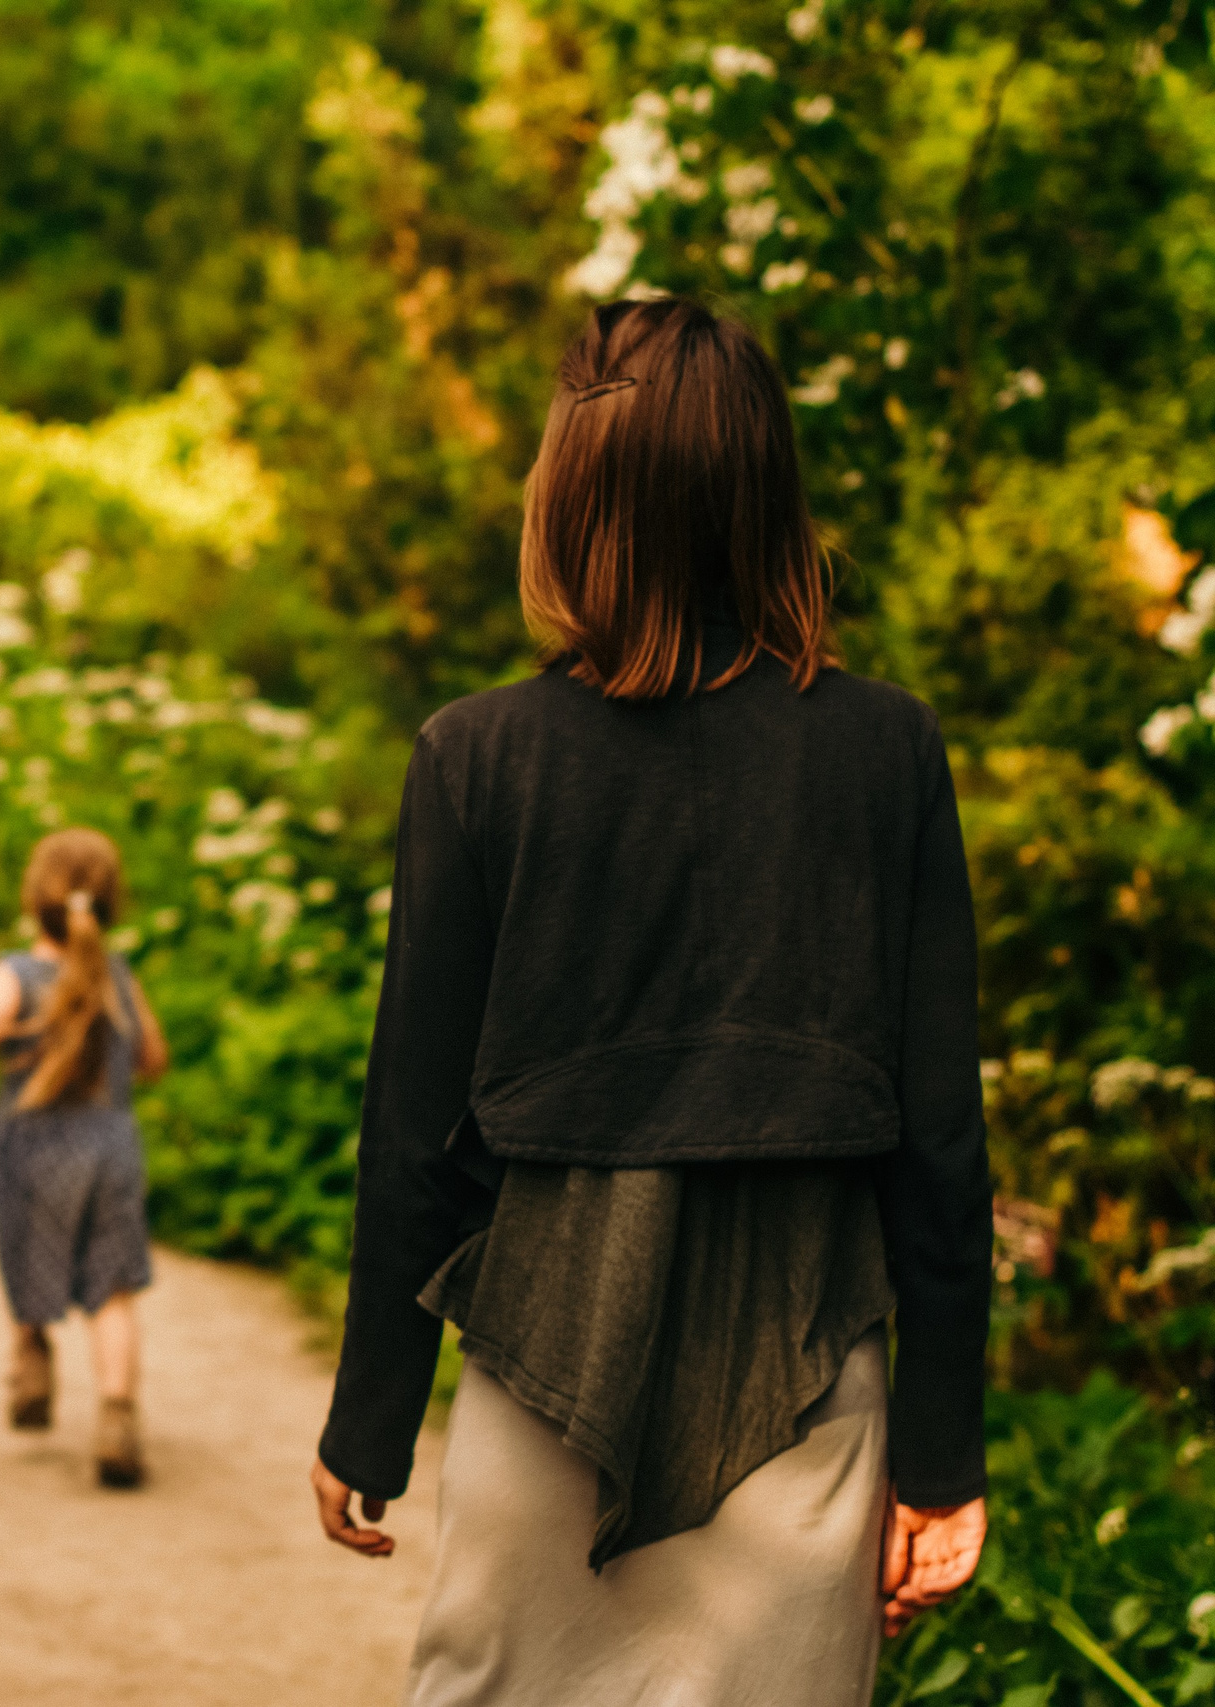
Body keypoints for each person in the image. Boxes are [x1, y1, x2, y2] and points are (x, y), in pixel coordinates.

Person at [307, 297, 992, 1704]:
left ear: (572, 498)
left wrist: (370, 1413)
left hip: (543, 1370)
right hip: (806, 1383)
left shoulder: (479, 756)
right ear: (767, 498)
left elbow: (415, 1133)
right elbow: (940, 1141)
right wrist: (941, 1452)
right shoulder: (888, 751)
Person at [0, 827, 171, 1488]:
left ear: (34, 900)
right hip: (110, 1147)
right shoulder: (116, 975)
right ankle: (116, 1415)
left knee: (27, 1249)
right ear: (111, 902)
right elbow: (153, 1060)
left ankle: (31, 1353)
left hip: (30, 1148)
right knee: (111, 1287)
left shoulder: (16, 972)